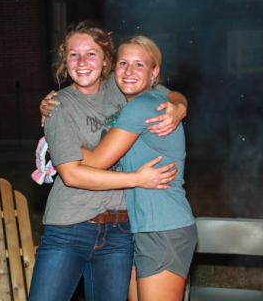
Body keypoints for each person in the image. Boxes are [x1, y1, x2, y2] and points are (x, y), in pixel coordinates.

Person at [29, 22, 188, 301]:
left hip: (120, 232)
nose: (82, 62)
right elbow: (73, 175)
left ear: (106, 61)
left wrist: (180, 106)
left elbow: (165, 92)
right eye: (74, 55)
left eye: (91, 54)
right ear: (65, 63)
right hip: (70, 228)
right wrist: (137, 179)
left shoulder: (122, 88)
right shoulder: (58, 106)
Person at [78, 36, 196, 301]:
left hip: (163, 227)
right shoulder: (147, 99)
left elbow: (98, 161)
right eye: (123, 63)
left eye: (139, 65)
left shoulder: (142, 105)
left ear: (154, 72)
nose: (129, 71)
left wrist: (57, 143)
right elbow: (172, 94)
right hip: (147, 226)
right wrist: (181, 104)